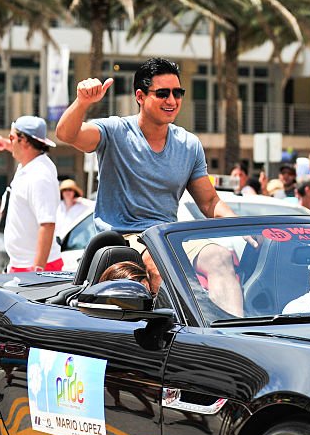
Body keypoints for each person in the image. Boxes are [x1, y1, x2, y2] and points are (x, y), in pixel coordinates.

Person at [55, 57, 242, 316]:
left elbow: (210, 203)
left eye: (178, 93)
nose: (172, 100)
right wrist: (82, 102)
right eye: (162, 93)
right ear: (140, 96)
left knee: (220, 257)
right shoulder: (115, 131)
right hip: (123, 239)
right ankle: (182, 339)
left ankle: (230, 337)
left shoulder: (189, 144)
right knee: (162, 265)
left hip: (167, 237)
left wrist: (241, 228)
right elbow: (66, 134)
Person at [0, 115, 63, 272]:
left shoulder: (39, 176)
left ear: (25, 141)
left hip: (35, 268)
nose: (10, 141)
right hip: (22, 265)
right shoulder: (31, 164)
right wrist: (7, 144)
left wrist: (38, 270)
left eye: (12, 137)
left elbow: (47, 224)